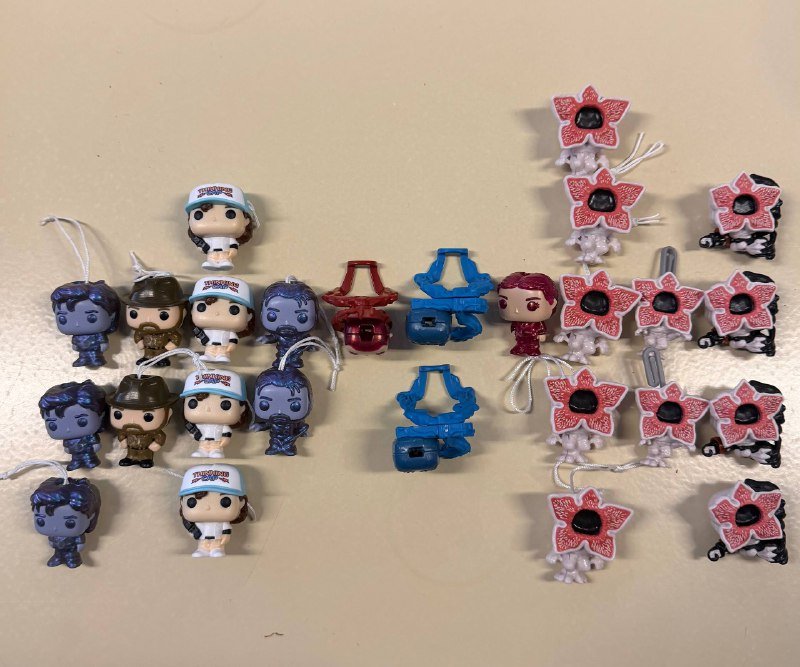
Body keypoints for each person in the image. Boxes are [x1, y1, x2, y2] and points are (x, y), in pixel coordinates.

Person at [31, 477, 101, 568]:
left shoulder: (76, 535)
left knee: (71, 557)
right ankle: (58, 559)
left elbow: (80, 543)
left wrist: (79, 547)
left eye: (70, 523)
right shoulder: (54, 535)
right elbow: (51, 540)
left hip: (71, 550)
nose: (55, 528)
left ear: (91, 517)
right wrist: (52, 543)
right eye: (41, 521)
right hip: (58, 549)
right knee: (58, 555)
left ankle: (72, 561)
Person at [38, 381, 107, 470]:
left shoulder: (89, 437)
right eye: (53, 425)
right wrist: (68, 449)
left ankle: (90, 461)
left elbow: (96, 445)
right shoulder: (69, 440)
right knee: (76, 460)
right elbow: (67, 448)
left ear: (101, 416)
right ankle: (76, 463)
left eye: (82, 421)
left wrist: (95, 447)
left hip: (88, 452)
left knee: (89, 459)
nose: (67, 429)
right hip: (75, 454)